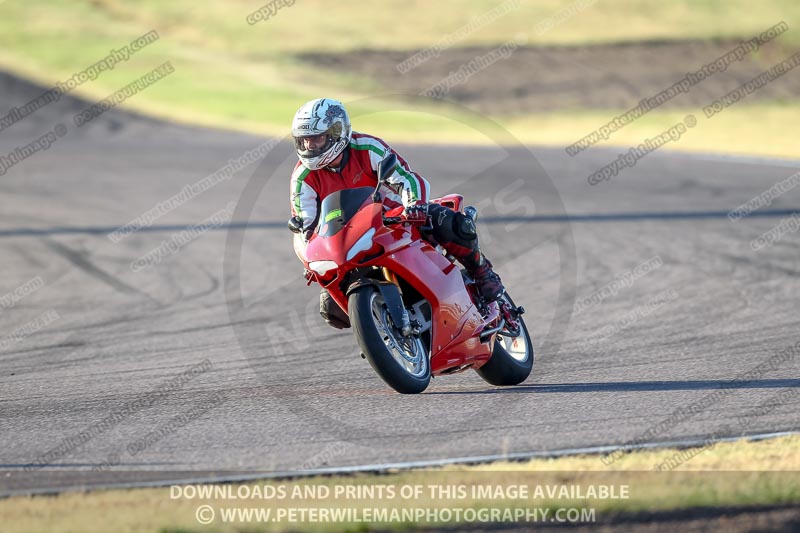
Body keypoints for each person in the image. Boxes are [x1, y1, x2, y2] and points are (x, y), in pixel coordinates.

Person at [288, 98, 504, 329]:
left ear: (336, 133)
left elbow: (407, 178)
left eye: (316, 138)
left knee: (449, 223)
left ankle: (482, 273)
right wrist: (312, 258)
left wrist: (415, 205)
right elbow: (304, 225)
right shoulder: (302, 177)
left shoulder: (367, 147)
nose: (309, 146)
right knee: (331, 308)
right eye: (304, 140)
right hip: (349, 240)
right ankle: (385, 328)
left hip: (394, 218)